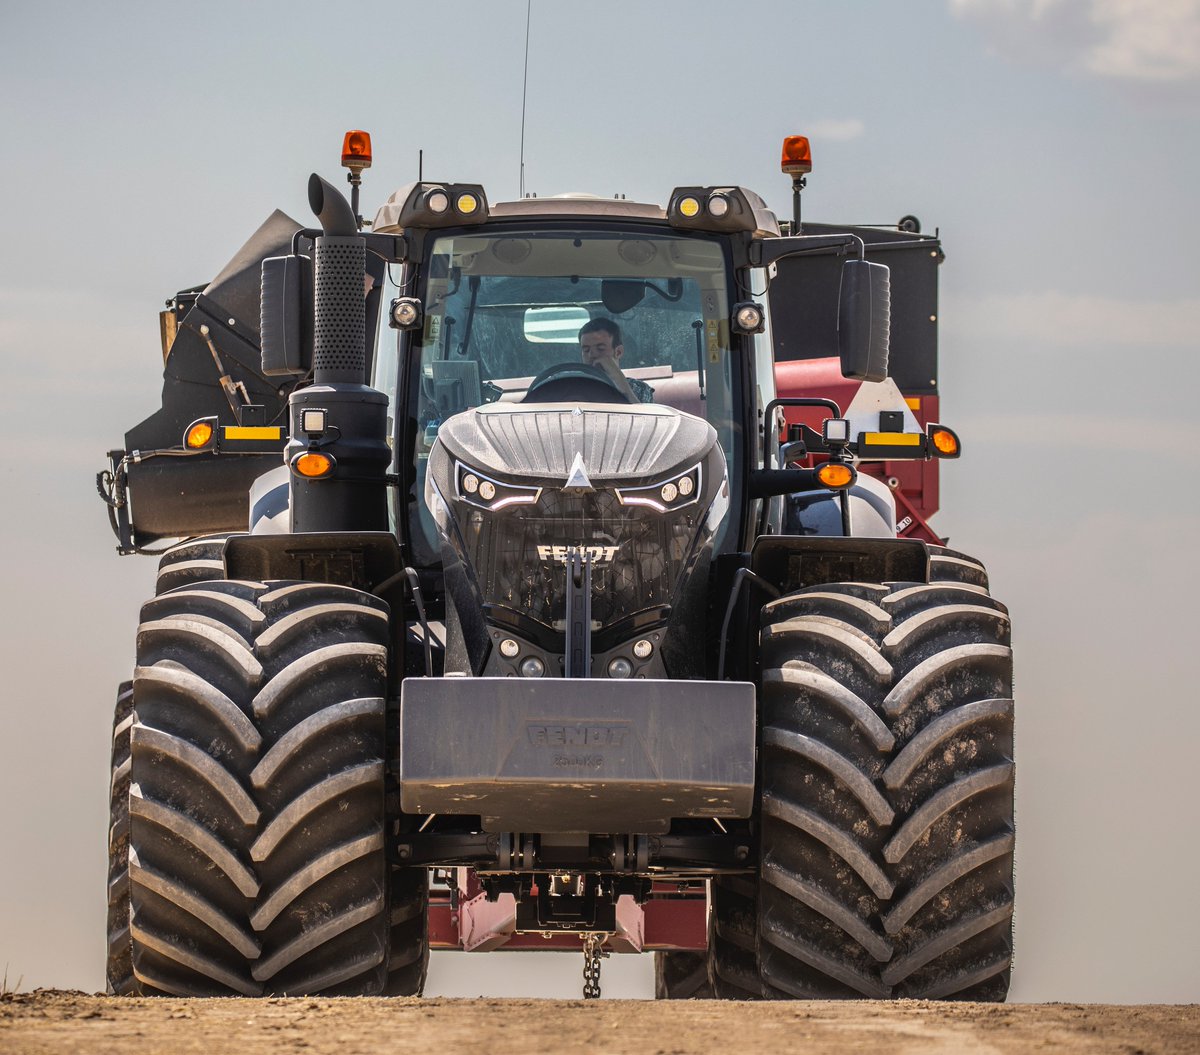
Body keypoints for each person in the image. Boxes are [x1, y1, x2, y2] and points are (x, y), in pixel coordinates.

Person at [578, 318, 654, 403]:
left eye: (600, 349)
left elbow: (642, 416)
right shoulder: (572, 387)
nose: (591, 355)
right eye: (586, 350)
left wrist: (618, 379)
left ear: (618, 352)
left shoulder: (640, 389)